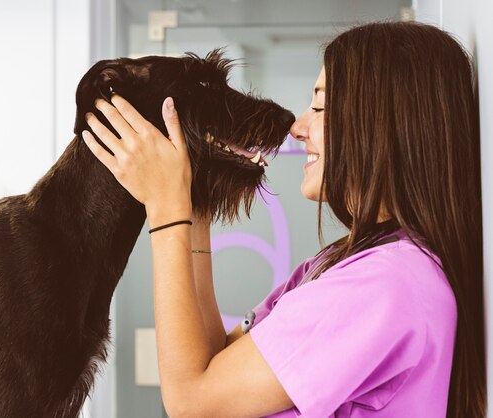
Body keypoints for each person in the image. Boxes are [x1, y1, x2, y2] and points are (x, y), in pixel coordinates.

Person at [82, 21, 485, 418]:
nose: (298, 126)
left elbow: (193, 403)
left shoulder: (383, 287)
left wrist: (166, 210)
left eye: (321, 106)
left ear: (384, 123)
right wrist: (193, 209)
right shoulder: (352, 265)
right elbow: (215, 362)